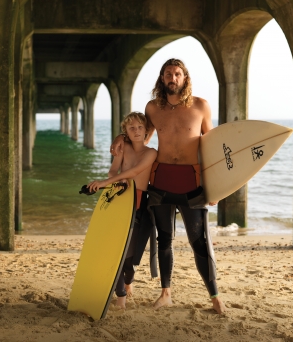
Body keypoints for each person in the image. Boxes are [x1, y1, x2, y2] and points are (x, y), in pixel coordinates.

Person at [110, 58, 226, 314]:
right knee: (164, 240)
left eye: (177, 74)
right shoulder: (153, 108)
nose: (172, 78)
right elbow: (140, 135)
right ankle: (166, 293)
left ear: (185, 78)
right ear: (162, 79)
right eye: (167, 74)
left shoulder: (201, 106)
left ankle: (215, 296)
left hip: (191, 182)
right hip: (161, 180)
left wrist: (216, 185)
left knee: (200, 241)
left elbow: (213, 146)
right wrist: (121, 136)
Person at [87, 112, 157, 310]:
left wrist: (105, 183)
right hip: (121, 198)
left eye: (140, 127)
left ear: (146, 131)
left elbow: (135, 172)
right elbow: (113, 170)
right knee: (117, 250)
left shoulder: (152, 152)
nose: (136, 131)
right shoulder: (123, 147)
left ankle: (128, 280)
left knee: (131, 258)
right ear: (125, 131)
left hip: (140, 202)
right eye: (131, 128)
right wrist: (117, 180)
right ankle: (121, 297)